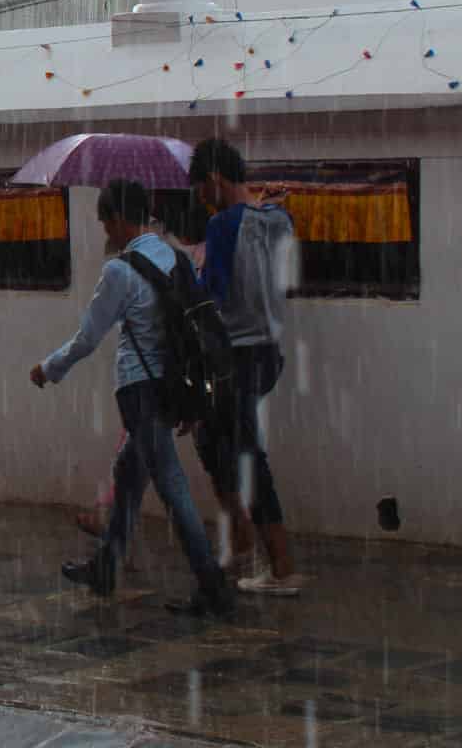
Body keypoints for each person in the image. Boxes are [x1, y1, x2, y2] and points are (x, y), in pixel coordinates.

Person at [31, 179, 235, 617]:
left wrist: (48, 369)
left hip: (141, 390)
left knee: (173, 488)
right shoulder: (173, 258)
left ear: (120, 220)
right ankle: (106, 566)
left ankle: (212, 584)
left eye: (105, 220)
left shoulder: (120, 271)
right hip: (171, 386)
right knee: (128, 475)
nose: (105, 230)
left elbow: (88, 337)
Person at [190, 138, 302, 596]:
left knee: (244, 452)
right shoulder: (275, 219)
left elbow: (210, 295)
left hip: (234, 353)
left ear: (215, 180)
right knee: (213, 436)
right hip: (268, 351)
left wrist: (189, 272)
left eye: (199, 188)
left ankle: (279, 564)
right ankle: (242, 537)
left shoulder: (220, 226)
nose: (199, 198)